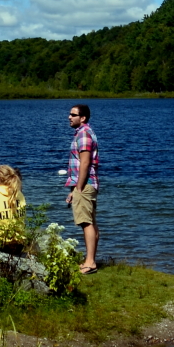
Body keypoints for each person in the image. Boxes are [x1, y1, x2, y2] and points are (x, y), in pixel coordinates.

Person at [64, 103, 99, 274]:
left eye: (73, 114)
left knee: (86, 223)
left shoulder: (84, 134)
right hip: (86, 184)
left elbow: (85, 163)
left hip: (85, 185)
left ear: (82, 118)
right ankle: (90, 260)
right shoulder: (83, 132)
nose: (69, 117)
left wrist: (78, 188)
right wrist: (73, 191)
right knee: (90, 222)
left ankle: (90, 262)